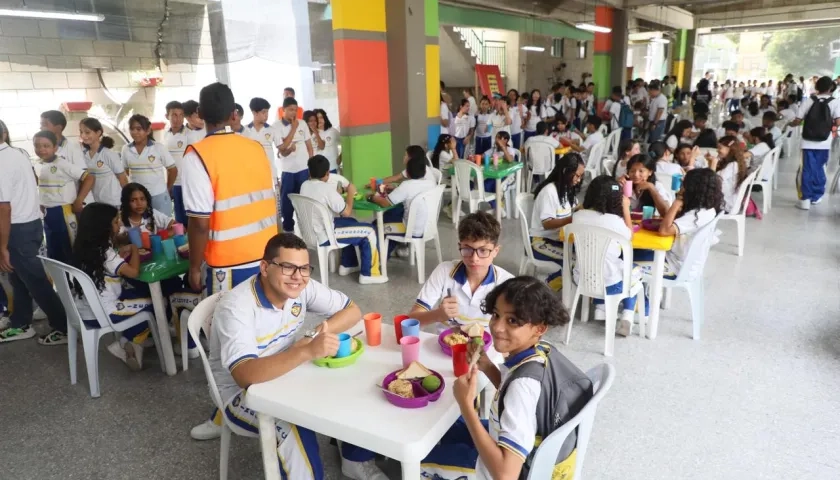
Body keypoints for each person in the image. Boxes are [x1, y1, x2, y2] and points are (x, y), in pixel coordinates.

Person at [209, 233, 387, 480]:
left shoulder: (301, 286)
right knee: (293, 427)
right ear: (264, 267)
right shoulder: (236, 306)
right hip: (242, 393)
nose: (298, 277)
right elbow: (245, 375)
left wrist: (312, 337)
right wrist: (306, 350)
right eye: (288, 267)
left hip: (290, 369)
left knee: (357, 381)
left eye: (304, 268)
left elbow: (352, 311)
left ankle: (354, 458)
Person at [180, 82, 278, 441]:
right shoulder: (255, 148)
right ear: (235, 113)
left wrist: (194, 265)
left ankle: (227, 415)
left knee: (224, 346)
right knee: (266, 333)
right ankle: (270, 404)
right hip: (268, 258)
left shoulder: (198, 155)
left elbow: (200, 221)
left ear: (200, 116)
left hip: (228, 266)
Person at [420, 276, 592, 480]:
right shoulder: (542, 351)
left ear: (540, 328)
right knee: (449, 429)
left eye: (513, 321)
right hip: (522, 444)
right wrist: (486, 365)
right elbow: (518, 398)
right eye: (496, 315)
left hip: (503, 471)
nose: (497, 327)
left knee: (420, 461)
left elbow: (506, 475)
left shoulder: (522, 387)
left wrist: (466, 405)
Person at [72, 202, 197, 369]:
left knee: (140, 292)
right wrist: (135, 250)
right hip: (103, 312)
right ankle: (128, 341)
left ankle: (136, 340)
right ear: (103, 228)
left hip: (83, 308)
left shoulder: (83, 247)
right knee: (159, 302)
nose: (119, 225)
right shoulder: (106, 254)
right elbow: (133, 272)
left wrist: (121, 254)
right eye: (116, 222)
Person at [0, 133, 68, 344]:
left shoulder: (2, 162)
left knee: (36, 281)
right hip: (30, 223)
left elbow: (4, 207)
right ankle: (21, 323)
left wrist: (2, 246)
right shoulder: (17, 153)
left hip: (18, 228)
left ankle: (64, 327)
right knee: (18, 277)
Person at [409, 212, 514, 334]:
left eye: (483, 250)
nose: (474, 258)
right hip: (446, 347)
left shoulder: (506, 283)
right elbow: (411, 320)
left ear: (496, 251)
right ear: (460, 246)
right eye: (467, 249)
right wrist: (438, 314)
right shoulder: (444, 271)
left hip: (487, 349)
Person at [299, 155, 386, 284]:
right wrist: (350, 193)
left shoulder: (304, 185)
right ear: (327, 173)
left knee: (352, 223)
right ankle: (369, 274)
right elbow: (346, 212)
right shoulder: (327, 189)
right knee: (370, 231)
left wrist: (337, 195)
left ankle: (348, 264)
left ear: (309, 172)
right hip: (326, 234)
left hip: (310, 232)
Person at [572, 175, 640, 334]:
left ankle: (601, 308)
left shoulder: (577, 217)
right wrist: (625, 208)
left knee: (602, 265)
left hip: (581, 279)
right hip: (611, 284)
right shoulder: (616, 221)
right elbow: (629, 237)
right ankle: (627, 316)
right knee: (634, 272)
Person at [635, 168, 723, 280]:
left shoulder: (696, 216)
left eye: (684, 184)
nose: (681, 187)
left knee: (625, 259)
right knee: (635, 253)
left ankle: (644, 297)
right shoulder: (707, 209)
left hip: (676, 267)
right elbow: (669, 218)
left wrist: (676, 204)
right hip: (680, 260)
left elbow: (664, 231)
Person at [33, 130, 94, 265]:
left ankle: (79, 284)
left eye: (46, 146)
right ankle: (64, 283)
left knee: (71, 249)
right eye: (37, 146)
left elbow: (89, 178)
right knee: (55, 252)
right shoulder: (37, 164)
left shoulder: (62, 164)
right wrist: (42, 202)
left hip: (64, 212)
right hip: (49, 213)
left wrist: (79, 200)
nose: (41, 149)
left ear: (55, 147)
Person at [529, 154, 585, 291]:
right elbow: (547, 223)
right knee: (575, 263)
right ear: (566, 172)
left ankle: (566, 289)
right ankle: (543, 290)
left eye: (580, 176)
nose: (578, 180)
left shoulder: (566, 189)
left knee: (585, 258)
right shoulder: (549, 192)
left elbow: (576, 207)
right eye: (577, 176)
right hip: (540, 242)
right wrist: (573, 218)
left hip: (558, 239)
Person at [368, 149, 436, 258]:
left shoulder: (406, 185)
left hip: (410, 229)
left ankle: (379, 258)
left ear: (407, 173)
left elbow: (385, 203)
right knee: (392, 215)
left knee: (378, 225)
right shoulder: (430, 183)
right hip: (427, 226)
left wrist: (372, 197)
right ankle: (390, 251)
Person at [790, 76, 840, 210]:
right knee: (820, 168)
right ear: (831, 88)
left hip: (807, 141)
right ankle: (816, 196)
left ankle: (805, 199)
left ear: (817, 87)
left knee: (806, 169)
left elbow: (798, 120)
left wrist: (790, 124)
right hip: (824, 142)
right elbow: (838, 122)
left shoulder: (809, 101)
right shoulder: (835, 102)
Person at [121, 114, 177, 215]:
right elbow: (125, 171)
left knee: (163, 228)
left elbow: (172, 170)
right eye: (132, 129)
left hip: (158, 195)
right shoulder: (126, 149)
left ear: (147, 131)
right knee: (142, 228)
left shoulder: (158, 148)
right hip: (138, 198)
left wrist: (167, 188)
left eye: (139, 129)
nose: (134, 132)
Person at [276, 97, 314, 232]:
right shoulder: (277, 127)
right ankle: (288, 228)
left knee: (304, 198)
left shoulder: (302, 123)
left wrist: (311, 166)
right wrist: (293, 128)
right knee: (287, 201)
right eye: (290, 110)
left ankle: (306, 227)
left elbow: (309, 146)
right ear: (283, 110)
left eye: (295, 110)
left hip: (304, 169)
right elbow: (282, 149)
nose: (293, 113)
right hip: (288, 171)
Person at [79, 117, 128, 207]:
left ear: (98, 133)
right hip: (98, 202)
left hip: (115, 202)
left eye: (87, 132)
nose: (83, 136)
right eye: (81, 132)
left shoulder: (109, 154)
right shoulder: (84, 154)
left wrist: (128, 201)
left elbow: (123, 179)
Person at [163, 101, 190, 226]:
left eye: (181, 115)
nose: (178, 119)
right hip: (173, 183)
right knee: (178, 218)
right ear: (167, 116)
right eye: (174, 115)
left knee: (190, 216)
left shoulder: (189, 134)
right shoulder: (165, 135)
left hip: (188, 182)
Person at [706, 135, 748, 213]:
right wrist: (710, 163)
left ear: (730, 149)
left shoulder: (733, 165)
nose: (717, 150)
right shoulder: (735, 162)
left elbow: (712, 181)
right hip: (728, 200)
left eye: (720, 148)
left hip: (725, 205)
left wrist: (714, 163)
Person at [245, 97, 280, 177]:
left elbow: (281, 148)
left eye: (267, 112)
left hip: (270, 173)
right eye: (263, 112)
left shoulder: (273, 130)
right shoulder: (245, 131)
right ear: (254, 113)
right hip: (252, 174)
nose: (266, 115)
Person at [314, 109, 341, 173]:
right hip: (318, 169)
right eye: (317, 118)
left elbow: (345, 143)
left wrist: (341, 157)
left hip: (332, 167)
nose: (319, 120)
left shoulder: (333, 131)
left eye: (321, 117)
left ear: (325, 118)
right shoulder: (311, 133)